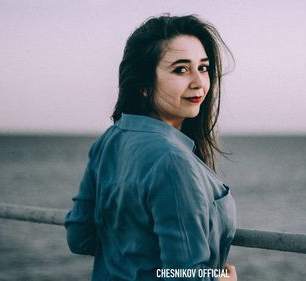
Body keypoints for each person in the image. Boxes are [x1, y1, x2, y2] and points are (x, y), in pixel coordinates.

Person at [65, 14, 237, 281]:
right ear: (144, 85)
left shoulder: (109, 141)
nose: (199, 82)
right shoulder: (172, 161)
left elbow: (80, 237)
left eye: (203, 67)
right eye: (181, 69)